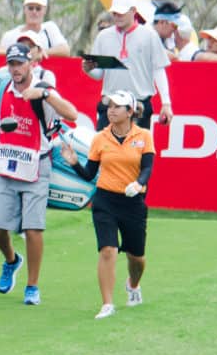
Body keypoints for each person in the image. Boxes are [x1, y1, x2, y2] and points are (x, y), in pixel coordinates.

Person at [0, 43, 78, 306]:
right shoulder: (2, 87)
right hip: (5, 163)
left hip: (36, 164)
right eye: (11, 64)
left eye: (20, 63)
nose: (15, 69)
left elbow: (71, 113)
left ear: (30, 63)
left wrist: (44, 96)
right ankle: (11, 260)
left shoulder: (44, 86)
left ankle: (32, 286)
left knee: (33, 230)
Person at [59, 91, 155, 320]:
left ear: (130, 112)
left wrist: (138, 183)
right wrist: (74, 163)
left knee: (137, 257)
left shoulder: (143, 136)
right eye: (109, 106)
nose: (111, 110)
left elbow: (147, 168)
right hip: (105, 200)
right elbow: (90, 173)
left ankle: (133, 285)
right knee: (108, 250)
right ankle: (107, 304)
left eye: (117, 107)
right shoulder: (100, 138)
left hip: (133, 202)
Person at [83, 0, 173, 130]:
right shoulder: (104, 36)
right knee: (104, 150)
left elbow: (158, 69)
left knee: (136, 150)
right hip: (110, 104)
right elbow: (99, 74)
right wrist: (88, 69)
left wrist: (166, 103)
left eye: (121, 13)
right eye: (115, 13)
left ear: (133, 11)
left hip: (138, 104)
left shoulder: (149, 36)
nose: (117, 17)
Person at [0, 0, 71, 57]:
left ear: (45, 10)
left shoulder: (49, 28)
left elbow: (65, 50)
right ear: (24, 9)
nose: (34, 12)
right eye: (30, 8)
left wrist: (41, 53)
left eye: (38, 8)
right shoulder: (10, 35)